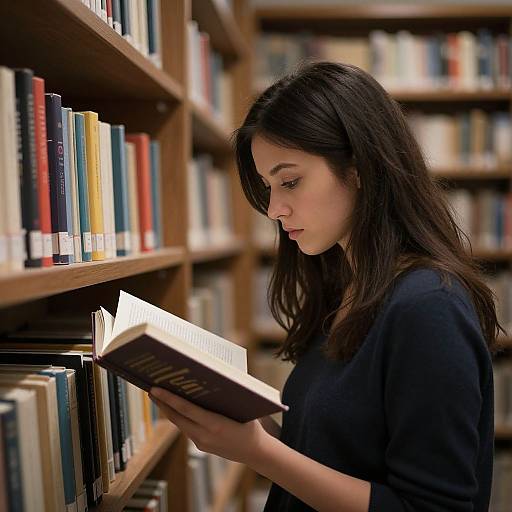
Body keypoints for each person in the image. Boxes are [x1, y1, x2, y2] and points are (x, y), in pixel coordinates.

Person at [149, 62, 501, 511]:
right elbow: (337, 453)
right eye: (268, 186)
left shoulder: (429, 307)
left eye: (290, 181)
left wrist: (258, 452)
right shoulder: (349, 287)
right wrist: (245, 420)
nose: (274, 208)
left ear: (358, 168)